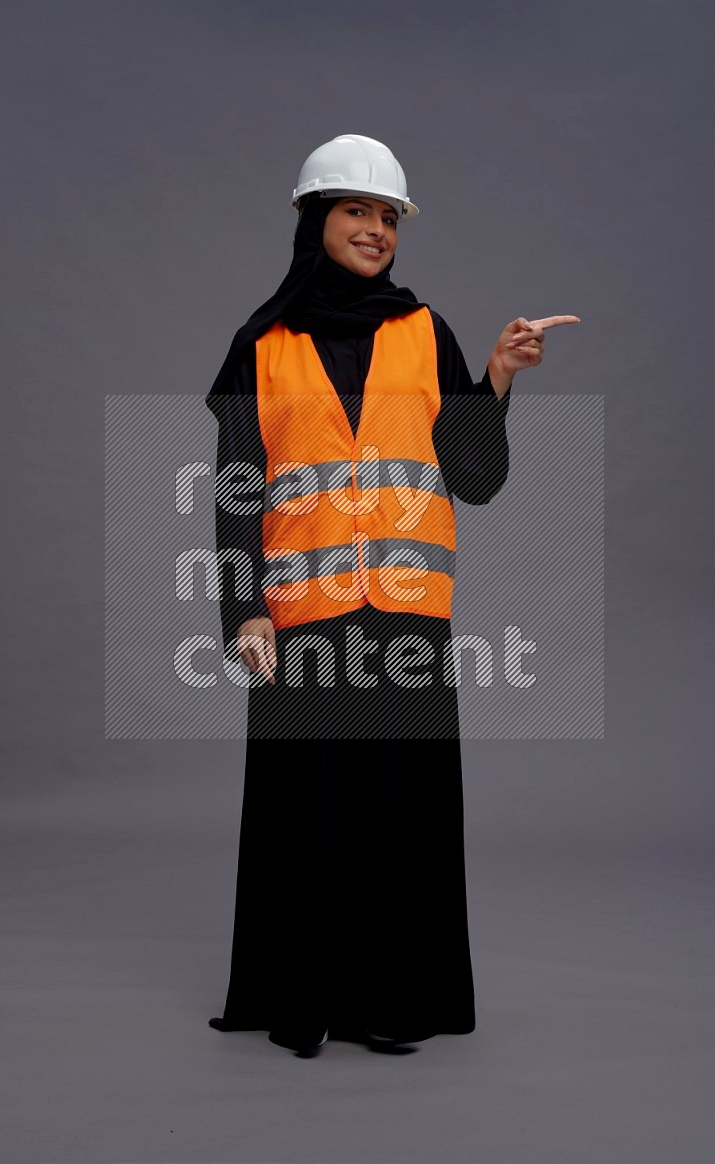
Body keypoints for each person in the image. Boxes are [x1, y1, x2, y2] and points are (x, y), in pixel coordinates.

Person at [204, 134, 579, 1057]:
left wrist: (497, 379)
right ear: (314, 221)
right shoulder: (263, 344)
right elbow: (237, 487)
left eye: (388, 217)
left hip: (405, 617)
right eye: (356, 212)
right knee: (307, 811)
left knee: (398, 812)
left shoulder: (425, 332)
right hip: (298, 624)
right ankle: (303, 997)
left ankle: (392, 1001)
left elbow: (475, 475)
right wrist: (241, 608)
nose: (375, 230)